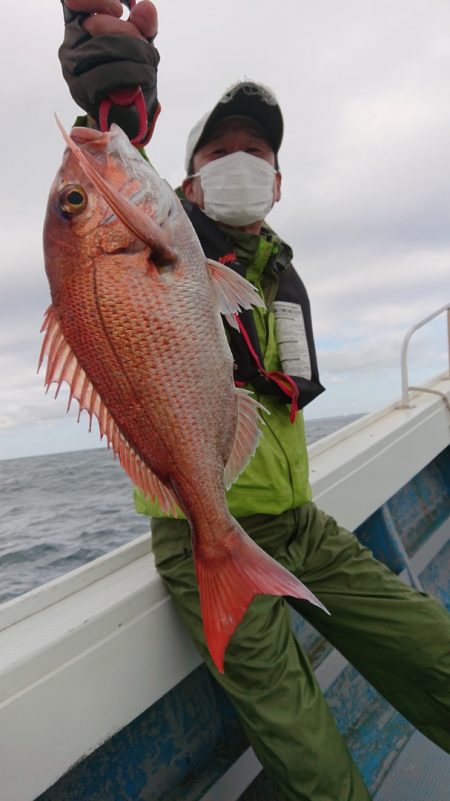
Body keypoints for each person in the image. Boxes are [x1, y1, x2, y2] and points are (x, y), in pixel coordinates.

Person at [59, 3, 450, 800]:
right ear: (189, 179)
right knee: (310, 758)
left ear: (278, 179)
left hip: (299, 520)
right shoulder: (171, 237)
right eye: (220, 151)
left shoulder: (275, 269)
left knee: (437, 652)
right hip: (201, 528)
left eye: (258, 153)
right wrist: (115, 92)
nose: (241, 163)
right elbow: (105, 178)